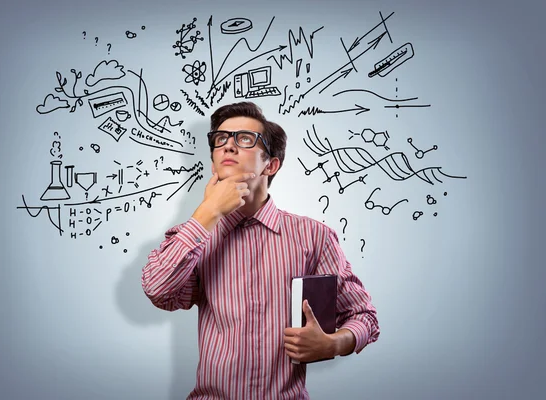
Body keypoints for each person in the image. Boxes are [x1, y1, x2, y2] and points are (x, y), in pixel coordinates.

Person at [142, 101, 379, 399]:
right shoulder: (196, 237)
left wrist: (333, 344)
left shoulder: (314, 236)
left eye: (244, 139)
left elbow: (364, 316)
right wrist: (208, 212)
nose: (228, 146)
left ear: (271, 164)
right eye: (220, 139)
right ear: (214, 164)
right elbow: (157, 290)